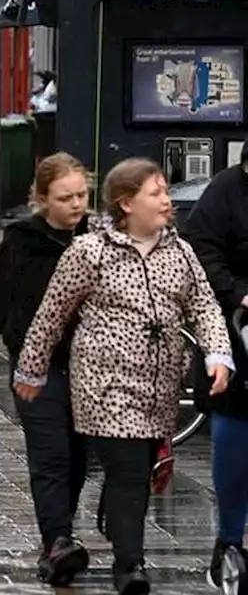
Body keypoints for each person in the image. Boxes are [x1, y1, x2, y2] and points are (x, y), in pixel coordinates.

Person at [16, 158, 234, 594]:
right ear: (126, 203)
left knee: (131, 470)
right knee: (129, 468)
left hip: (159, 387)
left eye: (165, 192)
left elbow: (205, 307)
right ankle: (129, 567)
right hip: (104, 384)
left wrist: (218, 354)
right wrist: (32, 370)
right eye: (156, 193)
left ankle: (116, 521)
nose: (167, 201)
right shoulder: (89, 253)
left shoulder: (181, 252)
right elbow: (51, 316)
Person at [0, 153, 92, 586]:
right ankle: (58, 540)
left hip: (91, 366)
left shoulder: (97, 238)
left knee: (77, 458)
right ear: (41, 199)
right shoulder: (22, 240)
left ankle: (60, 533)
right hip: (35, 365)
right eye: (65, 197)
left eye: (82, 196)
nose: (76, 205)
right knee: (50, 452)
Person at [179, 148, 248, 589]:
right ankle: (228, 540)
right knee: (234, 428)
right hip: (238, 330)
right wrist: (237, 293)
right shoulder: (225, 190)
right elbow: (201, 248)